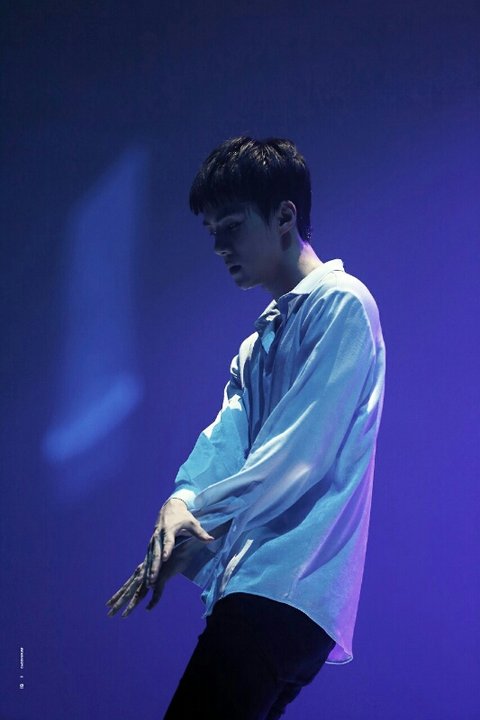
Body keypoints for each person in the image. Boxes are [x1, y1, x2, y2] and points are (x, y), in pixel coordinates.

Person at [106, 136, 386, 719]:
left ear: (284, 216)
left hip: (287, 585)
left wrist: (200, 515)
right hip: (255, 588)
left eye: (231, 226)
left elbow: (296, 455)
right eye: (212, 231)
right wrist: (181, 506)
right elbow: (223, 443)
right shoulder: (255, 348)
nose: (218, 246)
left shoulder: (341, 303)